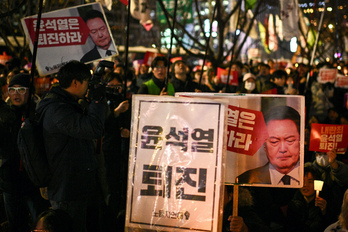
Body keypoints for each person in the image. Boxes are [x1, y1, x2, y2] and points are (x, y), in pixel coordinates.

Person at [36, 61, 107, 232]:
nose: (88, 86)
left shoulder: (66, 103)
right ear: (75, 82)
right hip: (66, 189)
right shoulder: (58, 110)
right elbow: (93, 128)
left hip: (75, 185)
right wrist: (97, 101)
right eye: (86, 82)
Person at [0, 73, 49, 232]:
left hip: (34, 182)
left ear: (30, 92)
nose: (16, 94)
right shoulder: (4, 115)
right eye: (12, 90)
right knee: (15, 224)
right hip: (10, 181)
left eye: (21, 90)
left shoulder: (39, 114)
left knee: (39, 223)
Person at [237, 105, 301, 185]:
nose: (283, 149)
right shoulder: (247, 179)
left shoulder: (312, 177)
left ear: (301, 141)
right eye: (274, 141)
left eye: (290, 140)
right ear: (264, 144)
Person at [286, 163, 331, 232]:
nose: (305, 185)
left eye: (310, 182)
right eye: (302, 181)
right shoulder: (293, 204)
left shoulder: (325, 202)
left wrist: (324, 212)